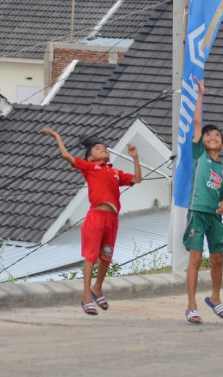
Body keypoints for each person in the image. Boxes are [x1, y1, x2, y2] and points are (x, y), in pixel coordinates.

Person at [43, 126, 142, 316]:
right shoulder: (89, 167)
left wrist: (135, 157)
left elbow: (137, 179)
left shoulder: (115, 173)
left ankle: (98, 288)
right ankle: (86, 295)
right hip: (95, 216)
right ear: (90, 157)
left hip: (111, 218)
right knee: (91, 257)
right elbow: (67, 156)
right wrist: (57, 137)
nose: (103, 149)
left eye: (104, 147)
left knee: (106, 256)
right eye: (98, 148)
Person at [184, 77, 223, 325]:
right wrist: (200, 96)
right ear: (202, 141)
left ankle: (215, 297)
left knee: (217, 258)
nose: (212, 136)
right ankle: (191, 305)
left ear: (222, 145)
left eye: (217, 135)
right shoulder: (199, 155)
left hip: (214, 217)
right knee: (195, 259)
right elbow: (196, 122)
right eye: (208, 134)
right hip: (197, 212)